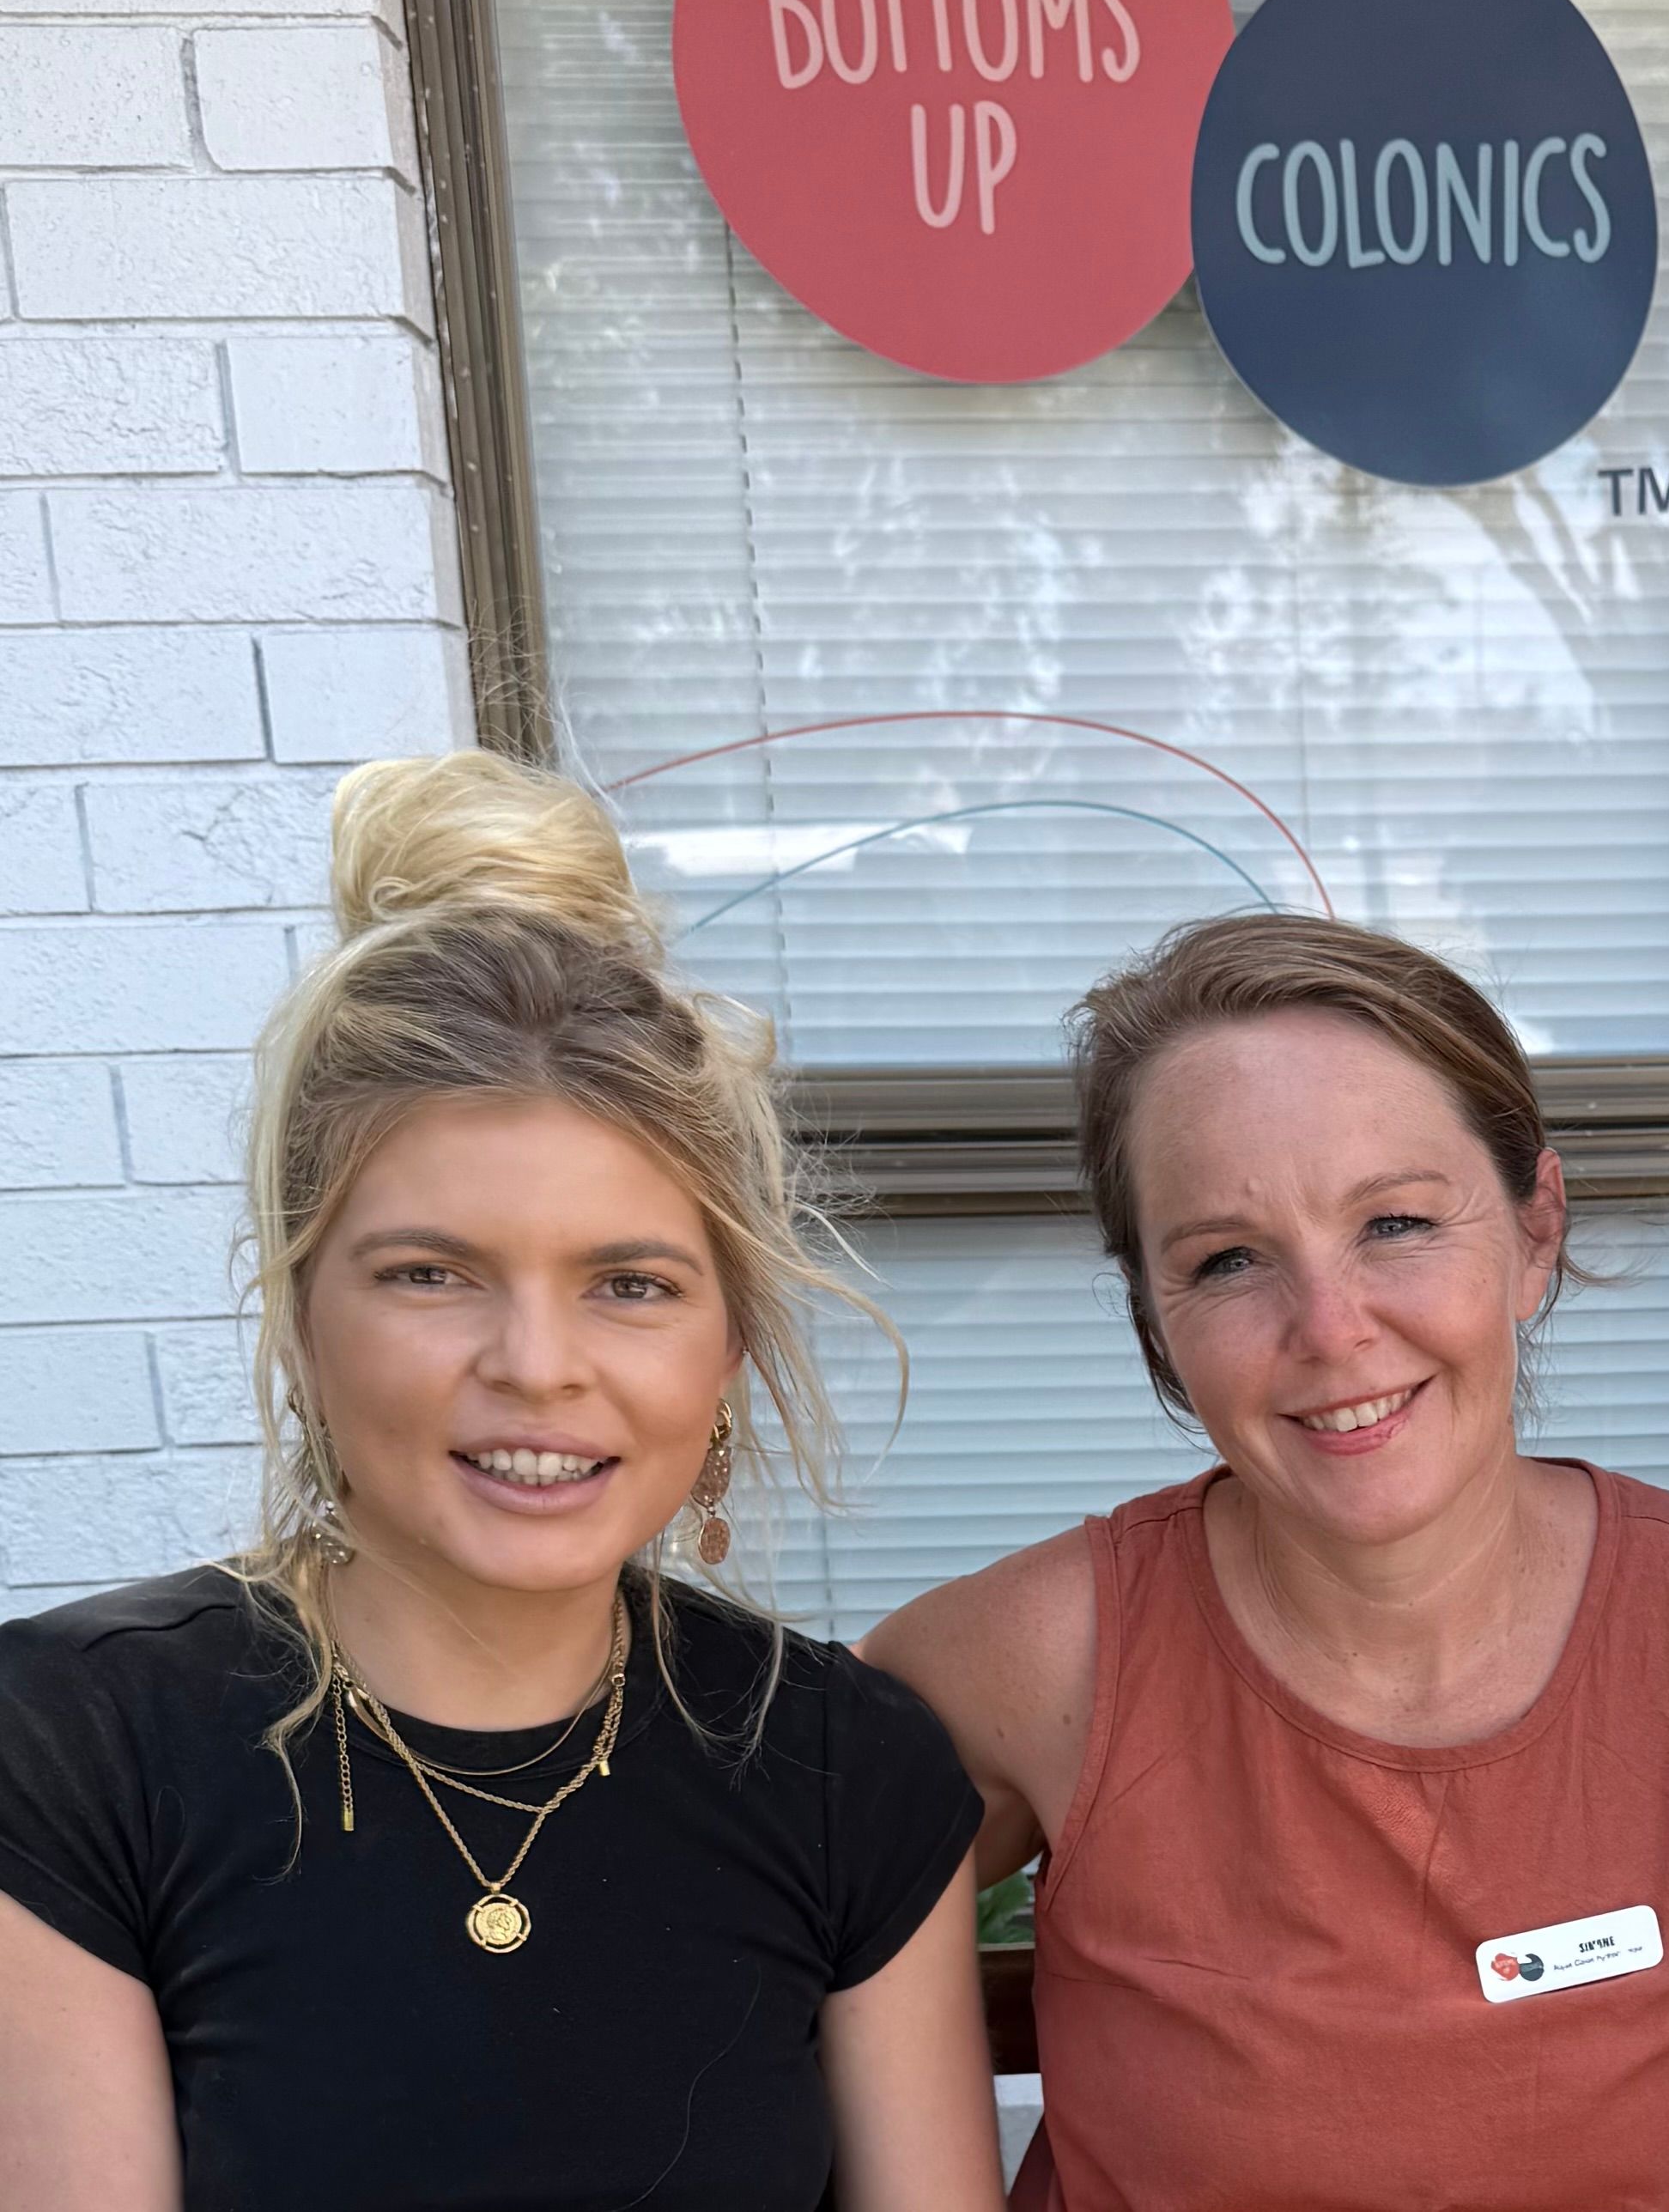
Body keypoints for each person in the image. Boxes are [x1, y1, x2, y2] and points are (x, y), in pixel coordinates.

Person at [0, 752, 1004, 2212]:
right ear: (301, 1314)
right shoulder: (75, 1749)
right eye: (432, 1273)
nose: (538, 1366)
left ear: (727, 1342)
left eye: (630, 1283)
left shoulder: (843, 1771)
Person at [865, 914, 1669, 2211]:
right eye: (1227, 1259)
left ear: (1536, 1228)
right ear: (1152, 1311)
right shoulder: (1032, 1665)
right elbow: (719, 1913)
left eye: (1397, 1222)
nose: (1330, 1327)